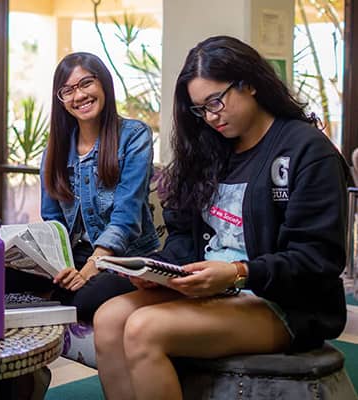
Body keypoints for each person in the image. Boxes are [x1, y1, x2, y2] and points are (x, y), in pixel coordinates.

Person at [92, 35, 348, 400]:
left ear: (250, 84)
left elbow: (317, 259)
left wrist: (240, 272)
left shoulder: (306, 150)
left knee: (143, 329)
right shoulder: (209, 151)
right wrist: (160, 271)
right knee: (108, 318)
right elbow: (182, 236)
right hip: (215, 288)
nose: (211, 117)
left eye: (216, 101)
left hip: (281, 303)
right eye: (200, 109)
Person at [39, 52, 161, 323]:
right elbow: (52, 221)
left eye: (86, 83)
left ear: (103, 83)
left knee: (85, 298)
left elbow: (126, 219)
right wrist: (64, 268)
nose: (78, 95)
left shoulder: (134, 136)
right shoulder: (54, 151)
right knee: (4, 277)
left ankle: (53, 300)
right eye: (68, 90)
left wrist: (88, 271)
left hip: (124, 258)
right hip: (75, 256)